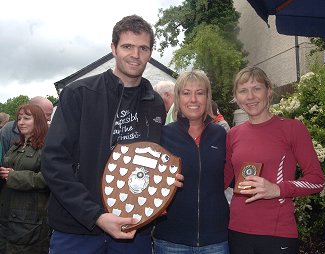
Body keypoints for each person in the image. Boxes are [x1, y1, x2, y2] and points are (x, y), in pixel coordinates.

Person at [41, 15, 183, 254]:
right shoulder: (79, 94)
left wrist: (165, 178)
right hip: (78, 230)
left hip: (134, 230)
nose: (135, 55)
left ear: (150, 52)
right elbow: (53, 163)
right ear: (113, 49)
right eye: (127, 46)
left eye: (143, 48)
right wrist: (95, 215)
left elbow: (150, 160)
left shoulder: (155, 103)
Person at [224, 66, 325, 254]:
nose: (250, 96)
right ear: (236, 98)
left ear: (269, 91)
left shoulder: (293, 129)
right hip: (237, 231)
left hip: (277, 233)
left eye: (257, 88)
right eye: (243, 91)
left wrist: (278, 189)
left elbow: (317, 180)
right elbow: (221, 180)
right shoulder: (233, 134)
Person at [153, 70, 229, 254]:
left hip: (215, 240)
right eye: (186, 93)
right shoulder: (162, 135)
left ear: (208, 97)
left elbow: (232, 177)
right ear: (178, 98)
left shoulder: (221, 135)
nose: (193, 99)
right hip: (171, 239)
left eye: (200, 93)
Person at [0, 104, 50, 253]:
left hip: (30, 222)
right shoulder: (15, 147)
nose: (21, 122)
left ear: (39, 121)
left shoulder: (47, 147)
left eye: (27, 118)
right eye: (19, 118)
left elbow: (50, 179)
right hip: (6, 218)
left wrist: (14, 176)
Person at [0, 96, 53, 163]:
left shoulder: (51, 141)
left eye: (26, 118)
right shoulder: (10, 134)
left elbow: (53, 171)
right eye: (19, 119)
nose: (49, 119)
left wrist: (14, 173)